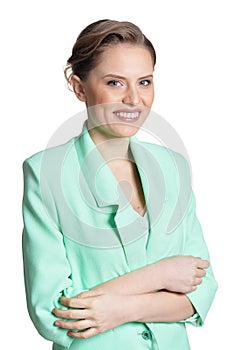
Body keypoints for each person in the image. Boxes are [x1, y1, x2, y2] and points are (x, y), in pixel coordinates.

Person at [22, 19, 218, 350]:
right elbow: (51, 312)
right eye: (115, 82)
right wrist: (159, 276)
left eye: (144, 82)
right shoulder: (46, 172)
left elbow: (201, 290)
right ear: (79, 87)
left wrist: (119, 308)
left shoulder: (173, 168)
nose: (134, 100)